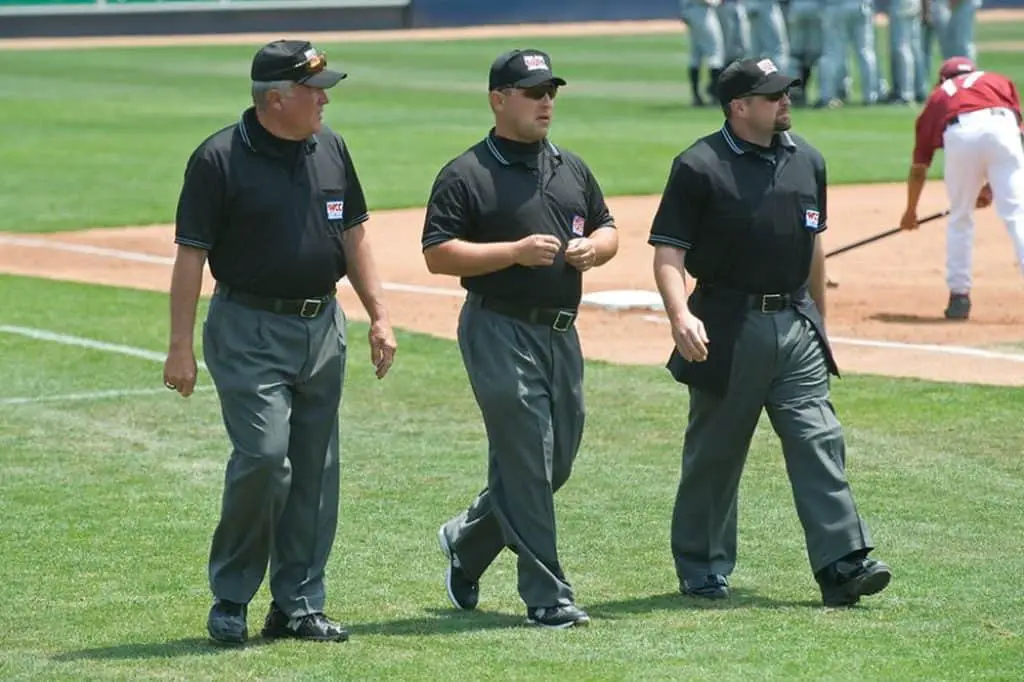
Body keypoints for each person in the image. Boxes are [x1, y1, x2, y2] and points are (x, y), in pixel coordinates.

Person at [162, 39, 397, 645]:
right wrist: (179, 346)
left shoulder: (332, 148)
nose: (324, 100)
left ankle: (298, 603)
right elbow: (192, 257)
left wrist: (379, 314)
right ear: (275, 99)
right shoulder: (218, 158)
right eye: (313, 91)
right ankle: (232, 596)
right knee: (266, 457)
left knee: (317, 468)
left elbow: (355, 235)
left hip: (323, 325)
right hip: (248, 328)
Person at [648, 57, 891, 607]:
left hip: (796, 326)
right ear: (739, 106)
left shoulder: (808, 159)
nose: (787, 101)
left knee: (818, 439)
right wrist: (679, 315)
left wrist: (821, 322)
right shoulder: (699, 165)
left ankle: (842, 563)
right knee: (717, 451)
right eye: (774, 94)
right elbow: (669, 252)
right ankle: (702, 565)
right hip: (726, 326)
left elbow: (814, 246)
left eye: (789, 91)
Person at [421, 48, 619, 629]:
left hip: (561, 334)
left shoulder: (570, 167)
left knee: (553, 463)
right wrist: (513, 252)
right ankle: (547, 595)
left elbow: (607, 227)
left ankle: (470, 540)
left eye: (550, 91)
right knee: (530, 456)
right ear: (498, 99)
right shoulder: (467, 172)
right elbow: (437, 254)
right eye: (533, 92)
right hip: (498, 327)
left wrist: (594, 250)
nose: (546, 102)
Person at [899, 56, 1024, 320]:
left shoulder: (938, 96)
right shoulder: (997, 81)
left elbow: (919, 167)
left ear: (943, 78)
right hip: (1004, 128)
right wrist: (991, 187)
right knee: (1017, 215)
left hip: (961, 132)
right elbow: (1015, 136)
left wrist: (911, 211)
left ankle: (959, 297)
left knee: (960, 217)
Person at [679, 0, 727, 106]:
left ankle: (696, 96)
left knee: (695, 55)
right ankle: (715, 95)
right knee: (715, 52)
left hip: (690, 10)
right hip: (702, 11)